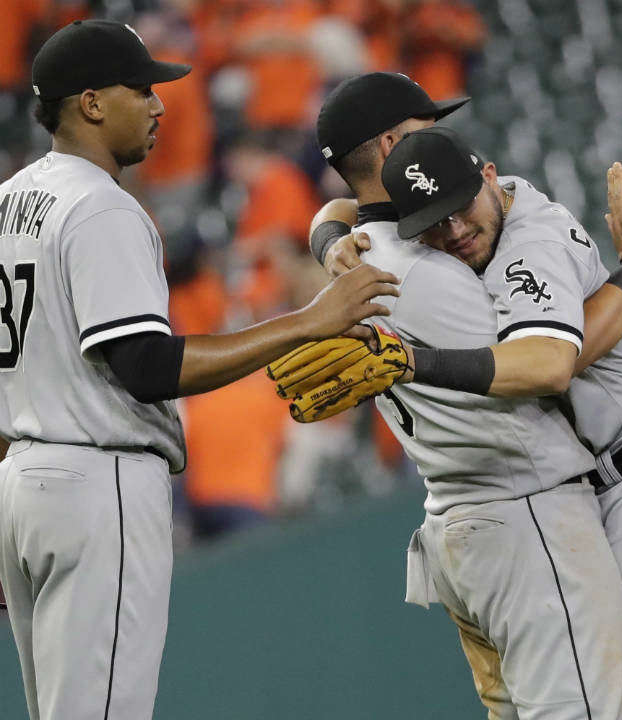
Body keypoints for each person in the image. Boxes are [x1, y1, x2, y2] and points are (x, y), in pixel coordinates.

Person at [0, 20, 398, 720]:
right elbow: (145, 366)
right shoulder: (99, 205)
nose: (159, 106)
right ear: (90, 103)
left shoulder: (9, 202)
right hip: (97, 480)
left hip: (21, 486)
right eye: (142, 89)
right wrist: (306, 320)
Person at [307, 71, 622, 718]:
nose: (443, 138)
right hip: (528, 519)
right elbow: (553, 360)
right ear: (391, 148)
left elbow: (340, 212)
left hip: (459, 526)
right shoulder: (434, 269)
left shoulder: (359, 256)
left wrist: (324, 236)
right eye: (426, 130)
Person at [375, 127, 622, 719]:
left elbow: (551, 364)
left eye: (460, 208)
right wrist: (332, 233)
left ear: (489, 177)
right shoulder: (499, 215)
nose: (454, 230)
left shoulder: (528, 244)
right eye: (434, 222)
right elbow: (357, 202)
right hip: (590, 495)